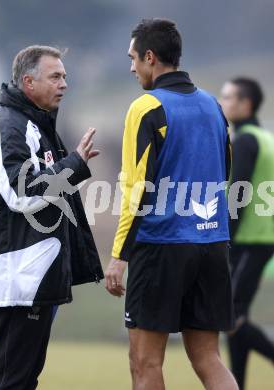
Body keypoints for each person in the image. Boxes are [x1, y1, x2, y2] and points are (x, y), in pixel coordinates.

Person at [105, 19, 238, 390]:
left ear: (150, 57)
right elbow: (225, 172)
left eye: (133, 58)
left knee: (144, 363)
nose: (131, 67)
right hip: (211, 247)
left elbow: (136, 189)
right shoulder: (212, 105)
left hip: (161, 247)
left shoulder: (146, 107)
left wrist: (119, 256)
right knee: (208, 359)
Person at [0, 45, 104, 389]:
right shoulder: (8, 123)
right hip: (18, 276)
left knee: (22, 379)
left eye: (65, 76)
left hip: (34, 274)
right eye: (55, 76)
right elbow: (21, 193)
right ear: (28, 82)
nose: (64, 84)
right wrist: (73, 165)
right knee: (8, 381)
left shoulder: (34, 123)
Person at [220, 77, 274, 389]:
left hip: (248, 239)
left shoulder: (245, 141)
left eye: (229, 98)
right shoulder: (264, 138)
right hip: (262, 237)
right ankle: (236, 384)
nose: (224, 103)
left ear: (246, 104)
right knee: (235, 316)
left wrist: (224, 241)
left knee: (231, 316)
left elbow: (237, 196)